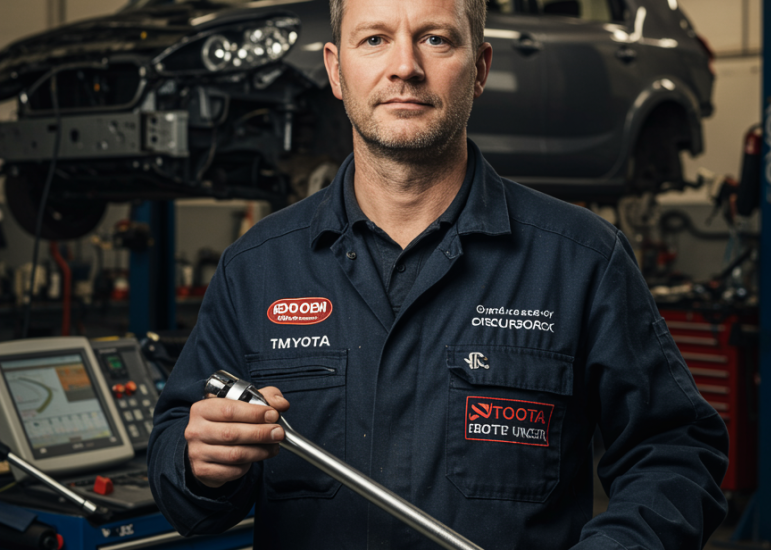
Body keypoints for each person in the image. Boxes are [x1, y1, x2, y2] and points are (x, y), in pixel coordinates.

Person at [147, 0, 729, 547]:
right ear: (335, 69)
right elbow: (183, 477)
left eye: (435, 38)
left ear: (479, 67)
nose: (406, 67)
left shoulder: (581, 260)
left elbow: (674, 451)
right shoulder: (257, 267)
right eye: (374, 39)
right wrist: (199, 465)